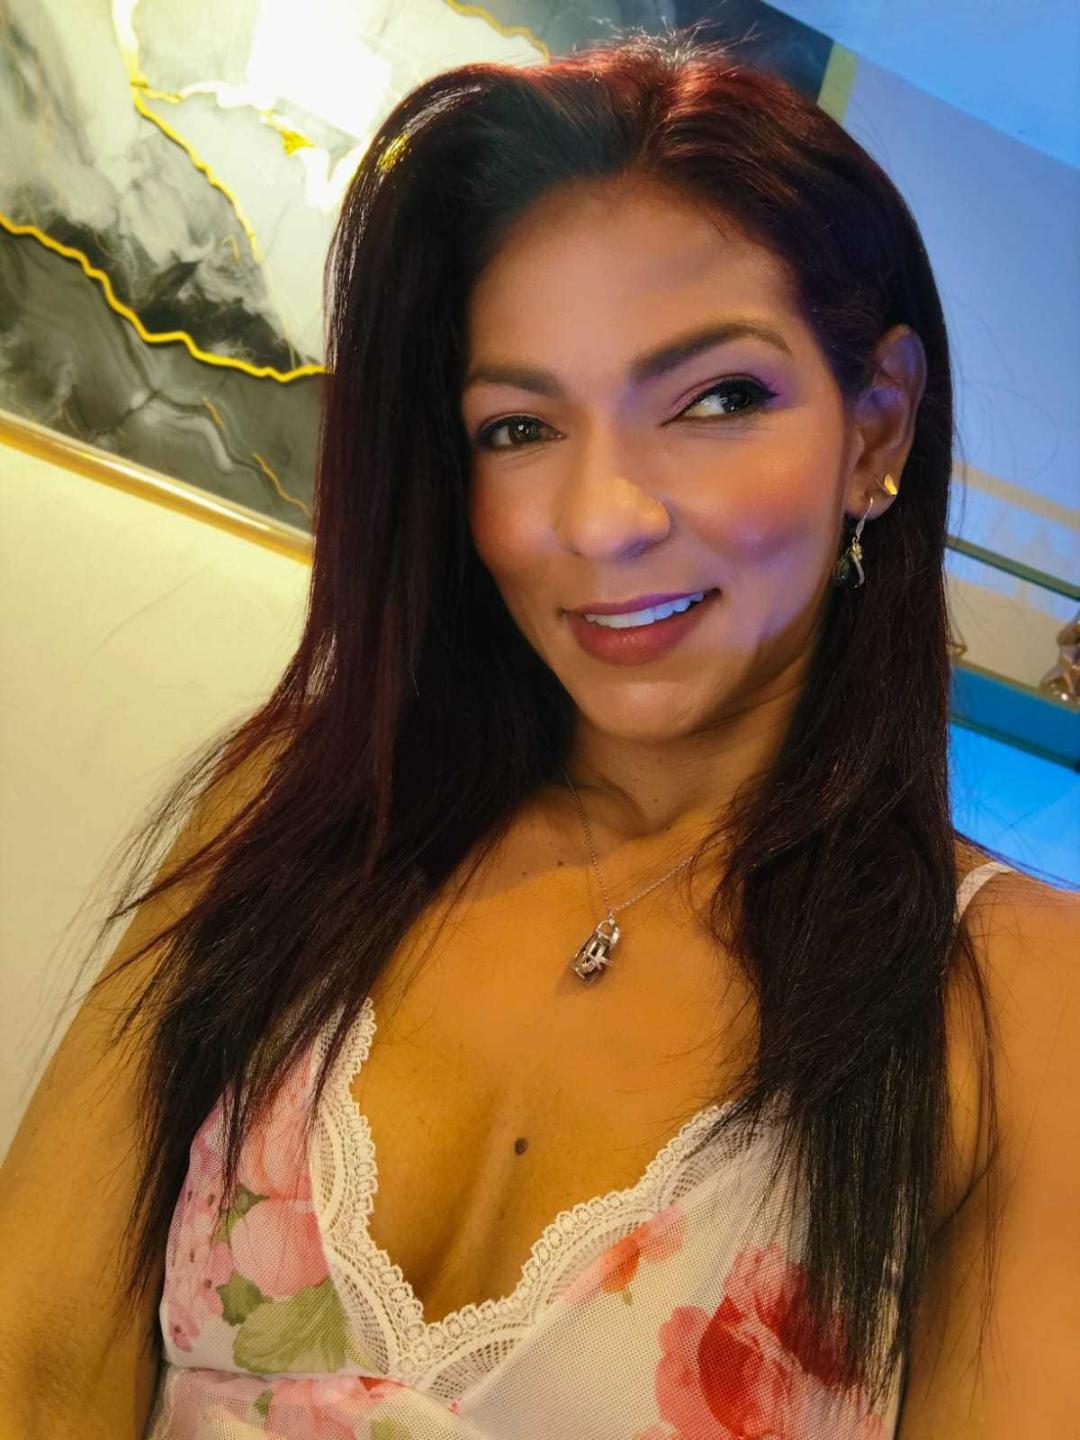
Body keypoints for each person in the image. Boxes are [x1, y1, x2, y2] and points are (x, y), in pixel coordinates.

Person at [1, 27, 1076, 1440]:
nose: (601, 521)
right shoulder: (302, 807)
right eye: (520, 427)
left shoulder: (1019, 1000)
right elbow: (34, 1361)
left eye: (716, 399)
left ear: (876, 429)